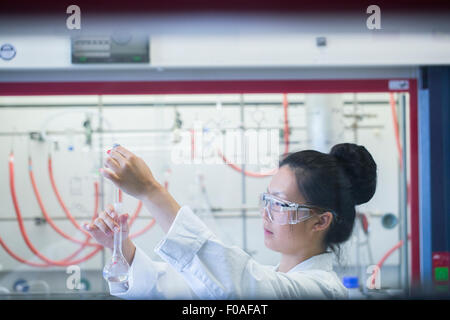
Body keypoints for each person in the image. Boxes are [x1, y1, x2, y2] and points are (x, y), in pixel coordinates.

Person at [83, 143, 377, 299]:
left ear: (320, 221)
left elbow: (237, 285)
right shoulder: (275, 276)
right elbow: (184, 287)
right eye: (268, 200)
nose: (266, 212)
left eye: (281, 204)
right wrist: (123, 249)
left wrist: (151, 191)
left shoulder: (321, 290)